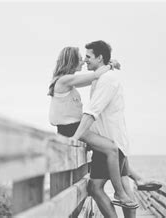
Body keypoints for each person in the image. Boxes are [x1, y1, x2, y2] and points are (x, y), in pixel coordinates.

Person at [48, 46, 138, 211]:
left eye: (85, 58)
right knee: (111, 148)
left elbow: (95, 78)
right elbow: (96, 75)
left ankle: (136, 179)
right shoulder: (64, 80)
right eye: (80, 58)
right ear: (72, 61)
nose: (83, 61)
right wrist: (111, 64)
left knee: (111, 150)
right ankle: (120, 193)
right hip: (70, 129)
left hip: (73, 128)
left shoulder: (68, 82)